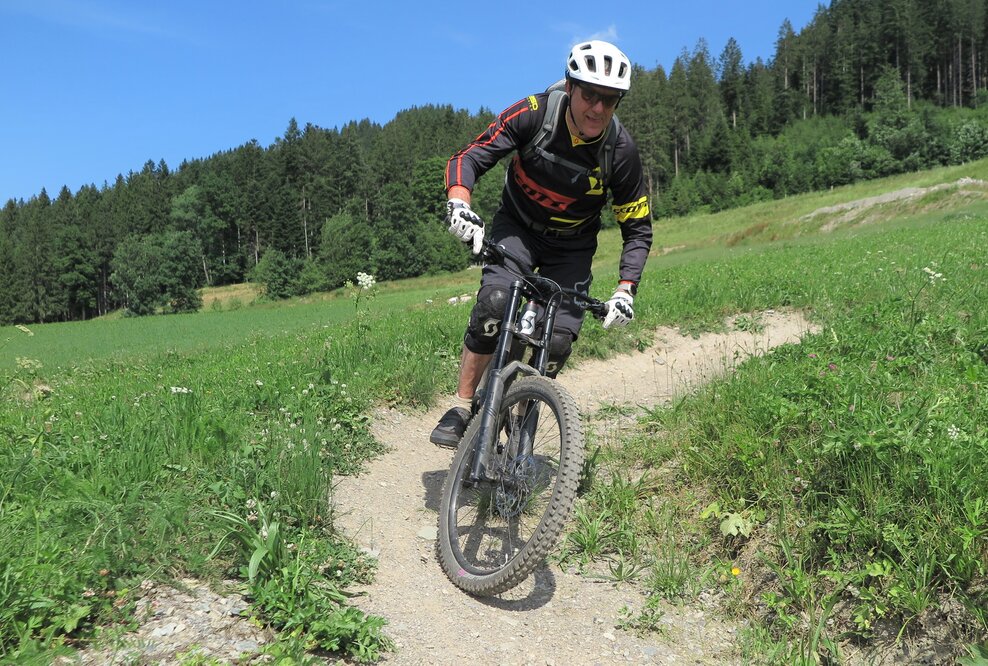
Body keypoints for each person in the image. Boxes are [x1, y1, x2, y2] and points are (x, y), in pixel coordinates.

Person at [430, 39, 653, 448]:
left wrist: (626, 290)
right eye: (590, 95)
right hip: (518, 228)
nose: (598, 109)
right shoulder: (534, 113)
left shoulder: (620, 152)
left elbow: (637, 228)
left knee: (559, 341)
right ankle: (462, 406)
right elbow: (472, 155)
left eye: (610, 100)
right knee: (494, 305)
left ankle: (521, 411)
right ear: (570, 88)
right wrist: (459, 204)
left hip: (572, 247)